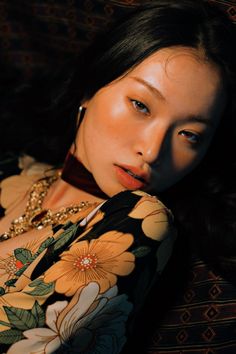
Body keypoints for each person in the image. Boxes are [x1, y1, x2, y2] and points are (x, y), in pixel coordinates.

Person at [0, 0, 235, 353]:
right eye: (141, 105)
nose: (153, 151)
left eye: (189, 134)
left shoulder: (142, 221)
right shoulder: (12, 163)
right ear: (91, 88)